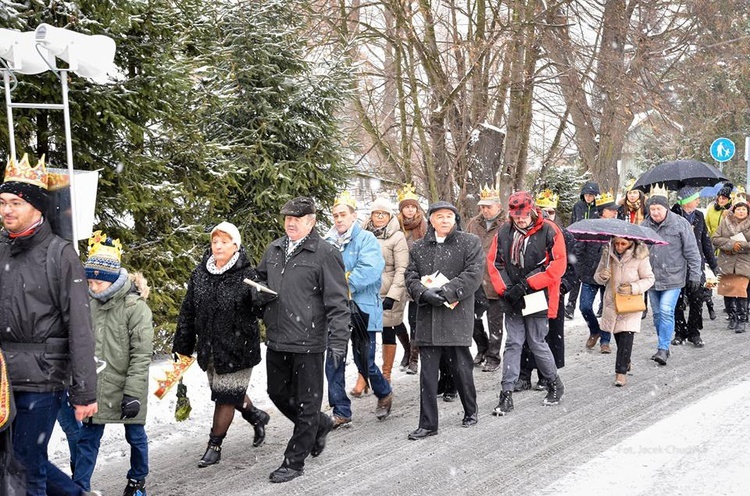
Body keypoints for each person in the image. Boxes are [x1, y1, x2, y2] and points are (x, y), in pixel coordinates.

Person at [0, 154, 98, 496]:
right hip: (2, 378)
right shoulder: (0, 250)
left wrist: (85, 392)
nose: (6, 210)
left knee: (26, 468)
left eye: (15, 202)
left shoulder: (60, 255)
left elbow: (81, 327)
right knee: (10, 461)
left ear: (37, 208)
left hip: (42, 377)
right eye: (2, 202)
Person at [256, 197, 351, 483]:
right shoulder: (273, 249)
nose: (290, 223)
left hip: (309, 340)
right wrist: (256, 292)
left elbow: (337, 301)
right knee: (277, 394)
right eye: (287, 218)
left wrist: (338, 341)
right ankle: (320, 425)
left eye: (297, 219)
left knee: (308, 403)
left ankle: (294, 461)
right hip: (277, 338)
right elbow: (260, 280)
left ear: (311, 221)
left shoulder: (325, 253)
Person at [173, 222, 271, 468]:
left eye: (224, 241)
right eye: (215, 241)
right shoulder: (200, 274)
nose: (218, 246)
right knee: (227, 392)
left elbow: (262, 311)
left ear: (235, 246)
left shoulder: (248, 276)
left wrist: (261, 299)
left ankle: (214, 445)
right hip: (211, 349)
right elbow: (188, 312)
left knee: (226, 397)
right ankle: (256, 415)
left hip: (238, 349)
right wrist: (182, 348)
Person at [74, 232, 154, 496]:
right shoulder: (89, 303)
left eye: (97, 282)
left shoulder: (134, 308)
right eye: (90, 281)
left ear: (109, 281)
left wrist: (132, 393)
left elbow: (141, 354)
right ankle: (80, 486)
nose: (92, 287)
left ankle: (137, 480)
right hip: (96, 386)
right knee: (88, 440)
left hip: (126, 386)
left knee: (135, 437)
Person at [404, 201, 484, 439]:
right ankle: (428, 424)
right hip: (428, 317)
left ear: (455, 219)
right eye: (439, 216)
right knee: (427, 375)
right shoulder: (418, 247)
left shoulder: (469, 242)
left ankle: (471, 410)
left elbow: (473, 274)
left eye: (449, 216)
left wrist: (447, 291)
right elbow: (410, 275)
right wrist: (422, 293)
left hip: (455, 315)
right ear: (431, 220)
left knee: (461, 369)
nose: (445, 220)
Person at [488, 191, 567, 416]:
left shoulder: (549, 230)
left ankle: (554, 382)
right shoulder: (504, 231)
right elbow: (494, 262)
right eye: (516, 215)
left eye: (523, 214)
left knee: (536, 341)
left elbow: (557, 265)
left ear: (532, 210)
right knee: (513, 343)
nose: (520, 219)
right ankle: (506, 393)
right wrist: (506, 289)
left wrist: (528, 284)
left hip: (537, 294)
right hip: (512, 295)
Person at [324, 191, 391, 425]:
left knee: (365, 362)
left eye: (343, 214)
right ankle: (341, 410)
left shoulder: (366, 239)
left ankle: (384, 392)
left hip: (362, 309)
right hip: (336, 311)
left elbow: (371, 270)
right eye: (335, 215)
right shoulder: (327, 242)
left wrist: (339, 282)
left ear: (353, 216)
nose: (339, 219)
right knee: (334, 361)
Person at [514, 192, 575, 391]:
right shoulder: (523, 233)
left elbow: (572, 267)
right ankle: (523, 374)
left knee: (545, 336)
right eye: (543, 211)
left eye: (551, 211)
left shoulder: (562, 234)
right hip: (526, 289)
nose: (547, 214)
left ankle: (545, 375)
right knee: (524, 335)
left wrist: (563, 285)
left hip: (551, 292)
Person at [640, 185, 702, 365]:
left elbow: (692, 251)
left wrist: (695, 274)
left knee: (667, 311)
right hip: (651, 278)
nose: (655, 213)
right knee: (658, 314)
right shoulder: (645, 226)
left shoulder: (679, 224)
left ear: (666, 209)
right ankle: (663, 343)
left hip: (674, 277)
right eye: (652, 209)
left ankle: (663, 348)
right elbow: (638, 251)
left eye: (658, 209)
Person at [593, 237, 655, 386]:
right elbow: (597, 276)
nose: (619, 247)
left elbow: (649, 279)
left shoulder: (640, 256)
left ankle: (620, 373)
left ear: (631, 243)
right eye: (617, 243)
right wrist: (602, 276)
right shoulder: (608, 254)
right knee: (618, 335)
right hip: (612, 302)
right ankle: (625, 360)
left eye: (623, 244)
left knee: (626, 335)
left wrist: (633, 287)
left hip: (630, 303)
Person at [363, 196, 409, 384]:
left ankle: (386, 374)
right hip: (367, 291)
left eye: (383, 213)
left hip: (389, 290)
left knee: (388, 329)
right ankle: (365, 372)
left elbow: (402, 268)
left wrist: (393, 295)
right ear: (371, 215)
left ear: (389, 216)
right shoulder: (363, 234)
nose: (380, 217)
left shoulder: (397, 237)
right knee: (366, 333)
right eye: (376, 213)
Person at [670, 186, 718, 347]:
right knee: (676, 300)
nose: (698, 200)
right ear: (687, 201)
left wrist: (713, 264)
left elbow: (705, 242)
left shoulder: (698, 215)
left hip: (696, 263)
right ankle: (679, 331)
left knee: (697, 299)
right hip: (676, 263)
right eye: (696, 198)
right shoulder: (673, 215)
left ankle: (694, 332)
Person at [465, 184, 505, 372]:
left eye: (489, 206)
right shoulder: (473, 223)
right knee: (472, 318)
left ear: (498, 206)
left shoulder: (506, 223)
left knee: (495, 320)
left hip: (495, 278)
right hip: (474, 278)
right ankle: (482, 347)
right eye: (482, 206)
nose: (485, 210)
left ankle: (494, 356)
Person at [579, 192, 619, 353]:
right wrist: (581, 270)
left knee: (608, 309)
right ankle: (594, 330)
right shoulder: (590, 227)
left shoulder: (619, 228)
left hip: (611, 275)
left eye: (615, 210)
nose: (615, 212)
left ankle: (605, 340)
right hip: (590, 274)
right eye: (611, 210)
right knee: (585, 307)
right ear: (602, 211)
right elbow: (579, 250)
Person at [397, 184, 427, 374]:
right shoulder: (396, 227)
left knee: (414, 319)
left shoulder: (424, 225)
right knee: (395, 319)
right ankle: (407, 350)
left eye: (413, 207)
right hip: (398, 276)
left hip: (417, 276)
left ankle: (414, 358)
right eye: (406, 207)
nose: (410, 210)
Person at [711, 194, 750, 333]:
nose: (741, 211)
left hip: (744, 262)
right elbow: (715, 239)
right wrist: (731, 244)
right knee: (727, 291)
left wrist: (742, 245)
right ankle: (732, 317)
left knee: (740, 290)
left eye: (744, 209)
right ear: (734, 210)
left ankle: (741, 319)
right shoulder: (725, 222)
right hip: (727, 261)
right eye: (738, 209)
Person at [565, 181, 600, 319]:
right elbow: (573, 222)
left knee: (594, 275)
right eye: (586, 194)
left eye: (591, 195)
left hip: (593, 244)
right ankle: (570, 306)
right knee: (576, 275)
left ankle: (601, 306)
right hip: (578, 244)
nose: (589, 197)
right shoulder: (578, 206)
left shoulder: (598, 208)